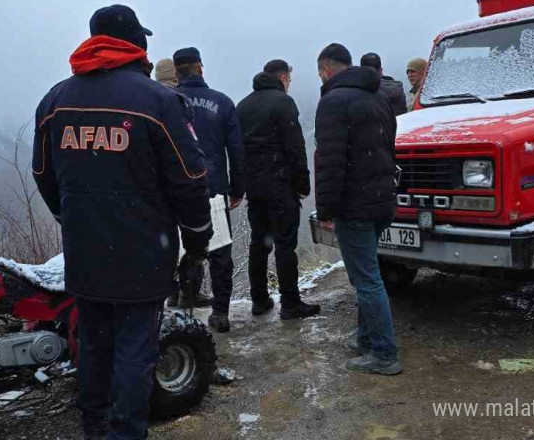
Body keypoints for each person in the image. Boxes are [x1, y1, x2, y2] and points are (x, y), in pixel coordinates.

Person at [32, 5, 212, 439]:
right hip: (143, 248)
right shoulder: (158, 101)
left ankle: (93, 423)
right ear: (136, 44)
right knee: (136, 346)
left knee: (93, 341)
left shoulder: (56, 100)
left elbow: (42, 173)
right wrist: (198, 236)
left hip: (85, 246)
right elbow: (190, 178)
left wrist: (69, 216)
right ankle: (126, 431)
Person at [314, 43, 401, 375]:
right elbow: (388, 147)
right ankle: (366, 336)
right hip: (381, 201)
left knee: (366, 280)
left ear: (326, 69)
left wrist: (326, 210)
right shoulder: (378, 97)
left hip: (356, 205)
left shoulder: (333, 102)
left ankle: (384, 353)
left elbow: (330, 162)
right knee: (369, 273)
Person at [236, 60, 320, 320]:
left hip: (255, 186)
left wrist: (241, 183)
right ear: (283, 77)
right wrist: (303, 184)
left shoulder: (244, 105)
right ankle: (291, 304)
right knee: (285, 244)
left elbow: (237, 149)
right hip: (280, 185)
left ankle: (259, 300)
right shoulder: (283, 102)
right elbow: (294, 147)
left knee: (259, 243)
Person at [173, 47, 245, 332]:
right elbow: (236, 150)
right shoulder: (222, 102)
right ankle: (221, 313)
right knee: (220, 253)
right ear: (200, 68)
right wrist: (237, 188)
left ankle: (186, 313)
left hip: (177, 190)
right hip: (213, 189)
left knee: (184, 251)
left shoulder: (167, 102)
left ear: (177, 71)